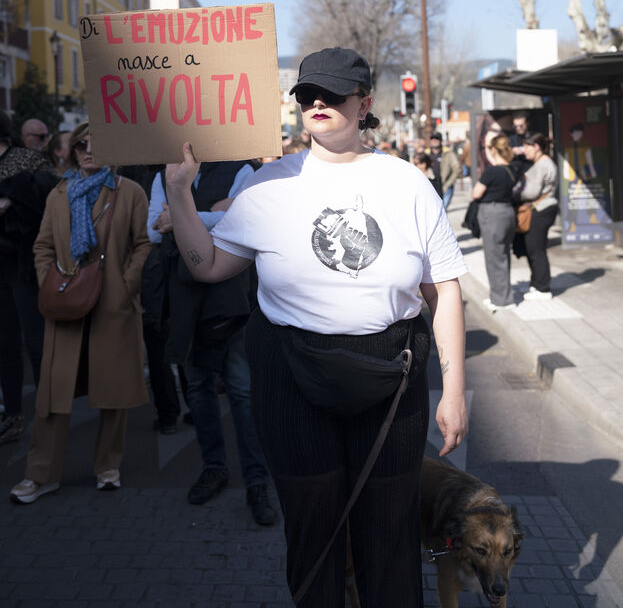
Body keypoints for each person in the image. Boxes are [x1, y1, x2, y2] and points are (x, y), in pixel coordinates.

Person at [165, 46, 468, 607]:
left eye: (333, 93)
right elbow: (207, 265)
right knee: (313, 531)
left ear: (365, 104)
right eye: (307, 94)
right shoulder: (266, 184)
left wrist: (453, 391)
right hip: (291, 381)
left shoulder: (407, 183)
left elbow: (444, 290)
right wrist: (180, 192)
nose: (318, 103)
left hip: (392, 379)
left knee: (388, 533)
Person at [10, 123, 151, 504]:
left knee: (113, 391)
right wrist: (49, 280)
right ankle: (40, 474)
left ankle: (108, 467)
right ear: (72, 151)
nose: (89, 150)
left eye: (97, 144)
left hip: (112, 303)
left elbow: (143, 244)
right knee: (52, 395)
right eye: (81, 145)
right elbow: (42, 246)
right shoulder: (59, 193)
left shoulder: (129, 192)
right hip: (66, 303)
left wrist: (126, 284)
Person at [147, 162, 276, 526]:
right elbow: (153, 230)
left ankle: (257, 481)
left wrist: (183, 216)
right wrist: (212, 215)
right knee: (199, 389)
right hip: (184, 302)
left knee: (242, 390)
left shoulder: (241, 169)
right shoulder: (165, 173)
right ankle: (213, 468)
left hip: (230, 300)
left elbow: (243, 223)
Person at [0, 113, 57, 445]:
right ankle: (13, 415)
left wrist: (13, 197)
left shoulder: (26, 159)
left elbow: (51, 193)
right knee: (5, 344)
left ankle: (48, 413)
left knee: (35, 342)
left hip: (24, 264)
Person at [470, 135, 518, 313]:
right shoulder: (512, 169)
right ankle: (504, 295)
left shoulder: (492, 171)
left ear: (495, 150)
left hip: (492, 214)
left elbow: (476, 193)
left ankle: (501, 300)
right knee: (503, 255)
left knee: (494, 257)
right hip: (507, 212)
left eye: (489, 149)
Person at [517, 132, 558, 300]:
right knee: (534, 248)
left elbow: (531, 192)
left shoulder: (542, 164)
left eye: (527, 147)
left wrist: (515, 192)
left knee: (536, 250)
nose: (524, 150)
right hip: (543, 208)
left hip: (541, 209)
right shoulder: (544, 162)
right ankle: (536, 284)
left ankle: (543, 288)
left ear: (537, 147)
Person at [428, 132, 461, 210]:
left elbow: (457, 169)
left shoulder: (448, 153)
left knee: (442, 211)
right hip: (430, 187)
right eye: (432, 139)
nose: (434, 141)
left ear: (440, 141)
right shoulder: (426, 154)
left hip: (444, 187)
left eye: (436, 139)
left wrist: (448, 183)